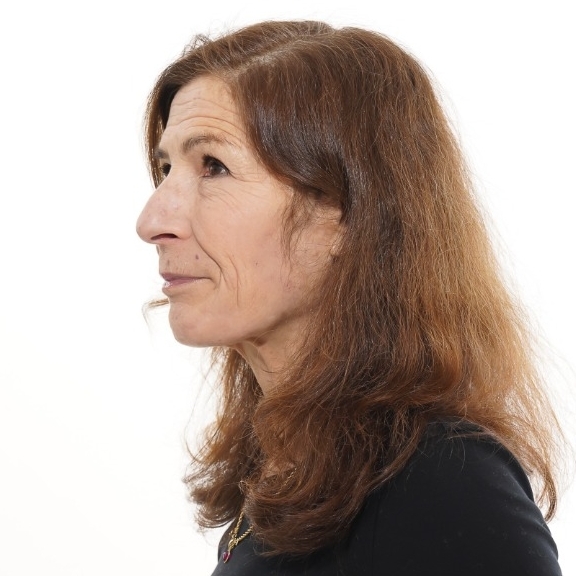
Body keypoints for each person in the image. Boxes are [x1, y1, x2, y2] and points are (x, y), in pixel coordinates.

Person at [136, 20, 564, 575]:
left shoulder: (441, 483)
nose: (152, 220)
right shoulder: (298, 473)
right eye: (166, 168)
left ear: (348, 214)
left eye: (214, 167)